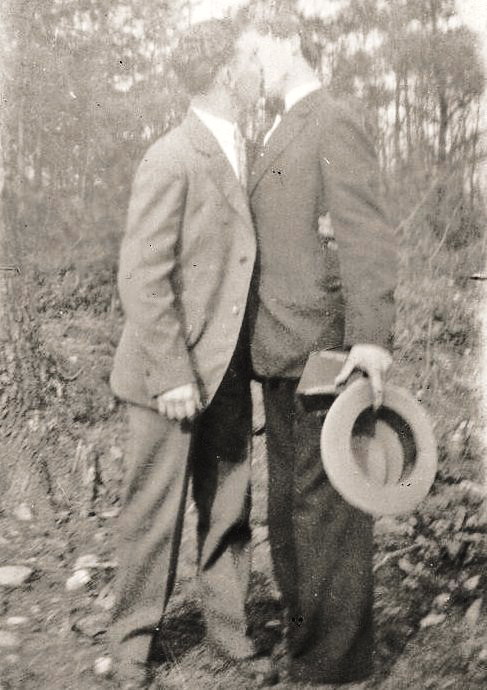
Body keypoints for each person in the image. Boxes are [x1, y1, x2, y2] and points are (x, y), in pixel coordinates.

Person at [109, 18, 276, 689]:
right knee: (152, 514)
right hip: (168, 374)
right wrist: (173, 374)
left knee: (229, 506)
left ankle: (230, 632)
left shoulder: (251, 151)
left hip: (228, 368)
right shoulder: (171, 156)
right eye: (252, 59)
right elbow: (141, 277)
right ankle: (132, 646)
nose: (261, 70)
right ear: (228, 73)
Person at [237, 9, 399, 688]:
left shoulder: (332, 118)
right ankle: (310, 648)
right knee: (288, 509)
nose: (250, 69)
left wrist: (370, 339)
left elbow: (366, 234)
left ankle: (333, 666)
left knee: (324, 510)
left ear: (285, 42)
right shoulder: (277, 126)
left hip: (323, 348)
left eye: (255, 53)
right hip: (278, 345)